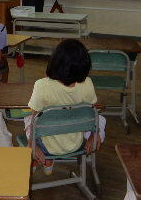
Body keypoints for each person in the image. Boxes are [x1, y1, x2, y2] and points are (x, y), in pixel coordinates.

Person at [27, 39, 100, 174]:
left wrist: (32, 143)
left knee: (30, 119)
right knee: (93, 116)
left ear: (54, 61)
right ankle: (47, 161)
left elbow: (33, 120)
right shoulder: (88, 84)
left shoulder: (41, 85)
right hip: (76, 144)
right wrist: (94, 134)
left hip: (47, 147)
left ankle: (41, 157)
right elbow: (93, 113)